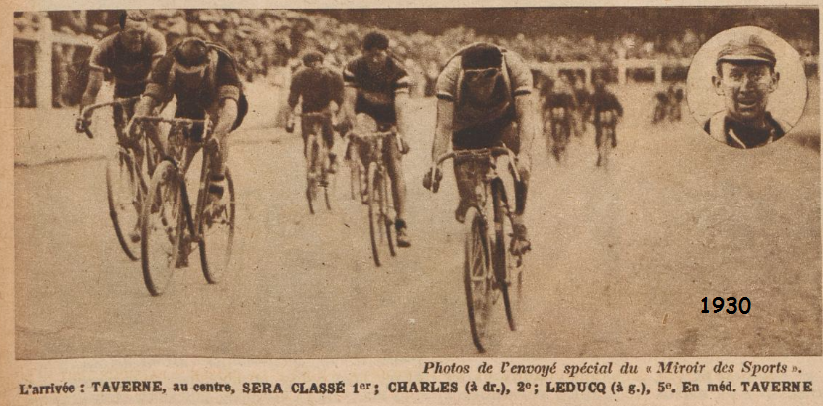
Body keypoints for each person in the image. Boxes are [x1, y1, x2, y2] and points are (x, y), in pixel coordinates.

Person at [423, 42, 536, 255]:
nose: (481, 85)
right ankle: (472, 211)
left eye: (489, 76)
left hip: (503, 121)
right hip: (466, 126)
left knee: (520, 158)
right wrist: (435, 163)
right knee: (467, 191)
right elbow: (444, 126)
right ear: (464, 73)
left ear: (499, 70)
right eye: (473, 77)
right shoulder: (449, 77)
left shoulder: (515, 68)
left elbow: (525, 118)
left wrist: (524, 155)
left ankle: (519, 221)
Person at [130, 36, 248, 222]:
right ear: (176, 64)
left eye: (194, 75)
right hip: (188, 102)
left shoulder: (222, 65)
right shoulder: (167, 63)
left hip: (218, 101)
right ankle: (176, 194)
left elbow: (230, 111)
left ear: (206, 64)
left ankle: (216, 188)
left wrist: (217, 135)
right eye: (184, 74)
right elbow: (148, 100)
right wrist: (138, 119)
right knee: (176, 144)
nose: (189, 79)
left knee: (217, 131)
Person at [339, 31, 413, 248]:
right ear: (362, 52)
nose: (374, 59)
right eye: (369, 54)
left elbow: (401, 107)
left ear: (386, 52)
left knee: (394, 166)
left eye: (378, 54)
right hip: (366, 115)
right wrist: (353, 126)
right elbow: (350, 102)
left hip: (390, 117)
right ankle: (367, 174)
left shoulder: (398, 72)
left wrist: (401, 134)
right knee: (362, 134)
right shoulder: (353, 67)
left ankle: (401, 223)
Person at [76, 11, 167, 144]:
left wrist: (150, 105)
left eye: (142, 33)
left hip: (148, 85)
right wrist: (85, 116)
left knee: (149, 120)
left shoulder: (154, 38)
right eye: (132, 33)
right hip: (123, 87)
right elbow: (92, 89)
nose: (138, 38)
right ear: (121, 32)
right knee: (125, 139)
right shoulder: (104, 46)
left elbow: (158, 77)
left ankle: (166, 160)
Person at [704, 35, 791, 149]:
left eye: (756, 75)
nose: (745, 88)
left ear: (773, 81)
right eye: (735, 76)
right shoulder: (705, 133)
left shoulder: (787, 134)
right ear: (719, 84)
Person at [287, 50, 345, 172]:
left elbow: (340, 97)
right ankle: (311, 165)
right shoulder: (299, 76)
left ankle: (331, 155)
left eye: (316, 63)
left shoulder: (332, 75)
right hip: (308, 108)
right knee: (306, 139)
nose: (313, 67)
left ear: (321, 63)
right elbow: (293, 97)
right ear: (305, 65)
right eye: (309, 64)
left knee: (328, 134)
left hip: (325, 107)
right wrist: (291, 117)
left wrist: (337, 112)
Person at [586, 76, 623, 166]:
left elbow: (588, 108)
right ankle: (613, 139)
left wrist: (586, 117)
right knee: (613, 127)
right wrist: (620, 115)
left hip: (598, 117)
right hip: (609, 116)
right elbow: (619, 107)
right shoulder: (610, 94)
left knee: (598, 133)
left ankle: (599, 154)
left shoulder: (593, 95)